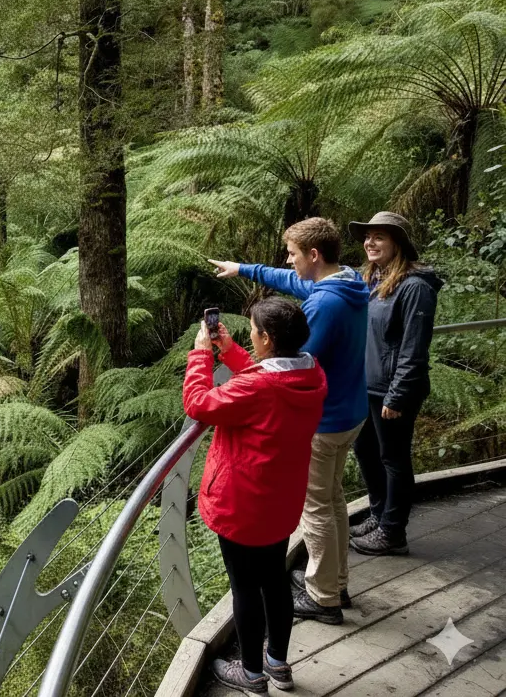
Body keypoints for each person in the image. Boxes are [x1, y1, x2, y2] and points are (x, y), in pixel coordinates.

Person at [208, 217, 369, 625]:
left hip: (326, 420)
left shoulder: (323, 304)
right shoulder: (349, 283)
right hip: (351, 410)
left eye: (293, 254)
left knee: (317, 507)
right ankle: (337, 581)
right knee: (332, 500)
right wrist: (243, 268)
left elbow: (287, 366)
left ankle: (323, 596)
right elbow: (296, 283)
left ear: (313, 255)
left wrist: (233, 360)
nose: (288, 261)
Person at [184, 298, 326, 694]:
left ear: (266, 338)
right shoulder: (312, 374)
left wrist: (201, 355)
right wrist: (229, 351)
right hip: (280, 501)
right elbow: (265, 379)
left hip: (242, 504)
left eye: (252, 331)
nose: (248, 334)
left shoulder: (258, 388)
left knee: (244, 586)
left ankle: (250, 674)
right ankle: (278, 663)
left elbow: (198, 404)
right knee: (274, 581)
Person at [347, 212, 441, 556]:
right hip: (368, 386)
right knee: (366, 451)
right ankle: (377, 513)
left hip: (393, 389)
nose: (370, 243)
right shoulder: (372, 280)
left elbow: (413, 348)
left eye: (379, 237)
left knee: (394, 458)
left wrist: (398, 394)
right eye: (367, 237)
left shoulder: (415, 287)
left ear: (397, 243)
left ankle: (392, 531)